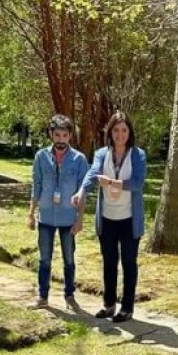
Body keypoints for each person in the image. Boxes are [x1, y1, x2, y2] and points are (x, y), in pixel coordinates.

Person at [73, 112, 147, 323]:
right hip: (107, 218)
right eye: (116, 130)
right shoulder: (101, 154)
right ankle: (109, 304)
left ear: (129, 132)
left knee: (129, 263)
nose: (120, 134)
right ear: (110, 132)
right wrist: (81, 192)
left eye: (124, 130)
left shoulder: (138, 155)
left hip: (129, 219)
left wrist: (113, 184)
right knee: (109, 263)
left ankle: (127, 308)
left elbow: (137, 183)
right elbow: (92, 174)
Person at [26, 114, 88, 309]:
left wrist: (79, 219)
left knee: (69, 259)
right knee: (44, 259)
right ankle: (42, 297)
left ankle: (69, 296)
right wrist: (31, 213)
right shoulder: (41, 157)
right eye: (57, 135)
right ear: (51, 135)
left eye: (64, 135)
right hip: (45, 216)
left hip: (68, 218)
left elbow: (83, 191)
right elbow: (36, 185)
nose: (61, 140)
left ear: (70, 136)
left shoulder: (79, 159)